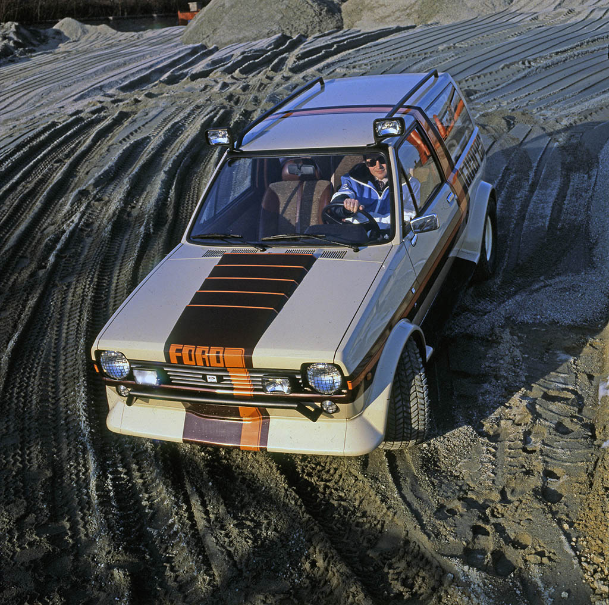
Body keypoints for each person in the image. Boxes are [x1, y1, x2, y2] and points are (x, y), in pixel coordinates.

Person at [331, 154, 417, 228]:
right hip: (356, 233)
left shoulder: (410, 184)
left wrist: (373, 223)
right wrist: (346, 205)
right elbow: (339, 199)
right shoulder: (352, 179)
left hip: (390, 235)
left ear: (392, 159)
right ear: (366, 164)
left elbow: (408, 217)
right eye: (371, 162)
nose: (378, 166)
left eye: (382, 160)